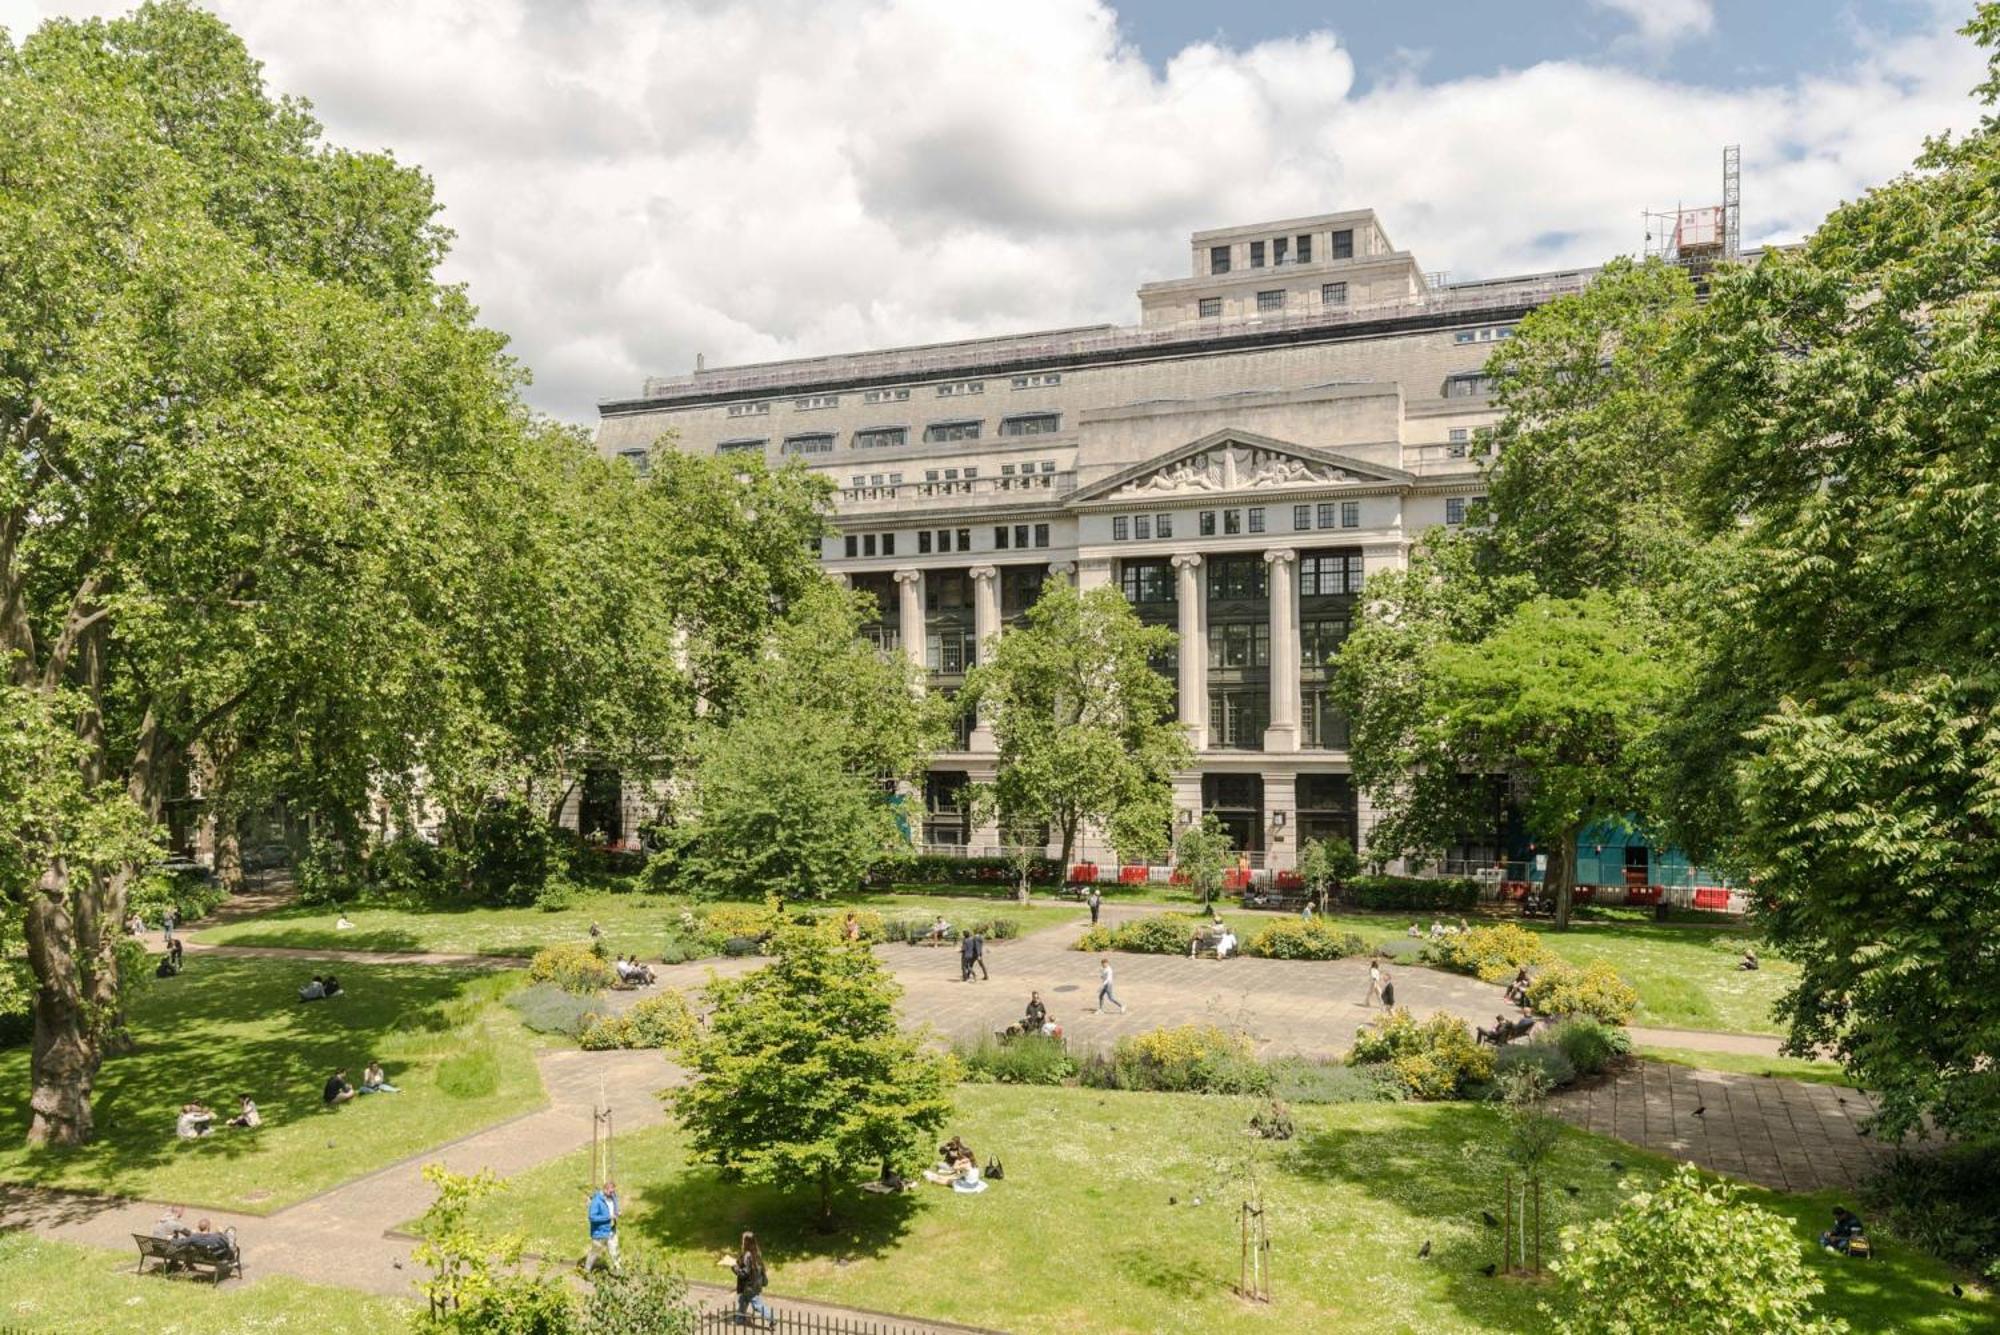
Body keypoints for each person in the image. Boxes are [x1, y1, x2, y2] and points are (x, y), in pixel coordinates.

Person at [724, 1231, 772, 1325]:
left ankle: (772, 1319)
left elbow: (744, 1273)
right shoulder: (756, 1253)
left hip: (749, 1286)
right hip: (754, 1285)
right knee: (743, 1301)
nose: (741, 1242)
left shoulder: (747, 1255)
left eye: (743, 1240)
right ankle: (739, 1319)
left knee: (757, 1305)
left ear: (747, 1242)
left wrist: (733, 1266)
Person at [584, 1180, 620, 1273]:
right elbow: (592, 1217)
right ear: (605, 1189)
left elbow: (614, 1207)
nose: (613, 1193)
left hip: (611, 1230)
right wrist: (608, 1217)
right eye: (611, 1192)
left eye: (613, 1191)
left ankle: (619, 1270)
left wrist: (617, 1212)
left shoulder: (613, 1197)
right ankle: (586, 1270)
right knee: (594, 1253)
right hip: (599, 1232)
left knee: (614, 1251)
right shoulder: (596, 1201)